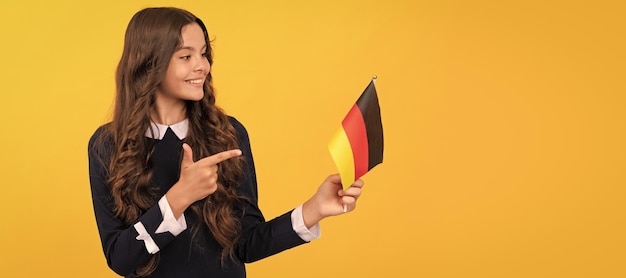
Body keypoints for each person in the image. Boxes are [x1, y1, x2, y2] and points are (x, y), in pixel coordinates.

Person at [88, 7, 364, 278]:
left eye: (204, 53)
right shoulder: (107, 145)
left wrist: (313, 210)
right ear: (149, 62)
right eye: (186, 55)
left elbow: (246, 244)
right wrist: (179, 198)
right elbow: (120, 259)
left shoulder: (228, 133)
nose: (202, 66)